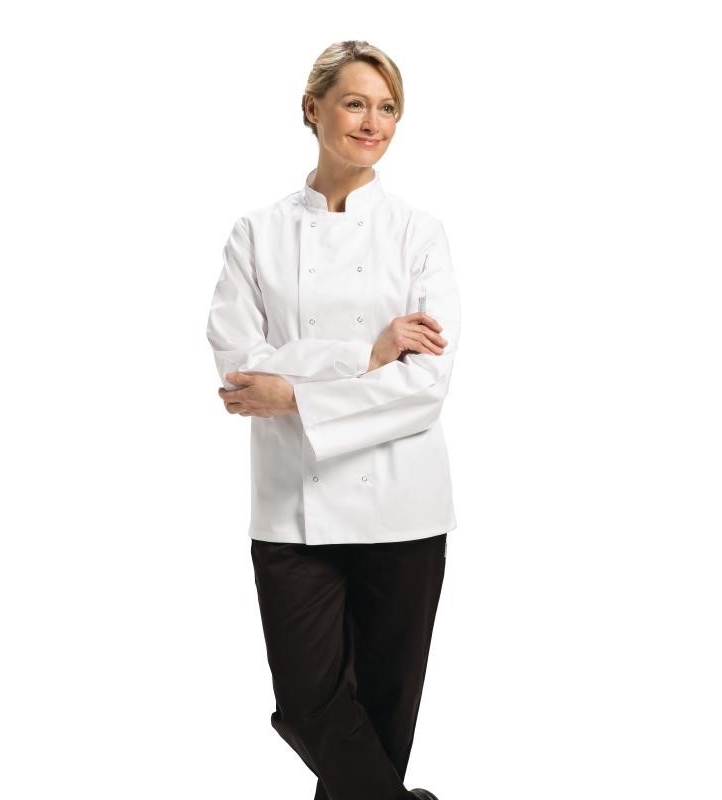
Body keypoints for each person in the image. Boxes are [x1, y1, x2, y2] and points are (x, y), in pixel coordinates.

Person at [206, 40, 460, 800]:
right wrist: (365, 355)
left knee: (381, 719)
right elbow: (240, 368)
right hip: (293, 506)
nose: (372, 122)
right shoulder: (255, 233)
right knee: (308, 706)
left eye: (387, 108)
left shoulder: (419, 233)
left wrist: (294, 392)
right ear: (312, 109)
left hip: (403, 505)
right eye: (354, 103)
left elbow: (425, 386)